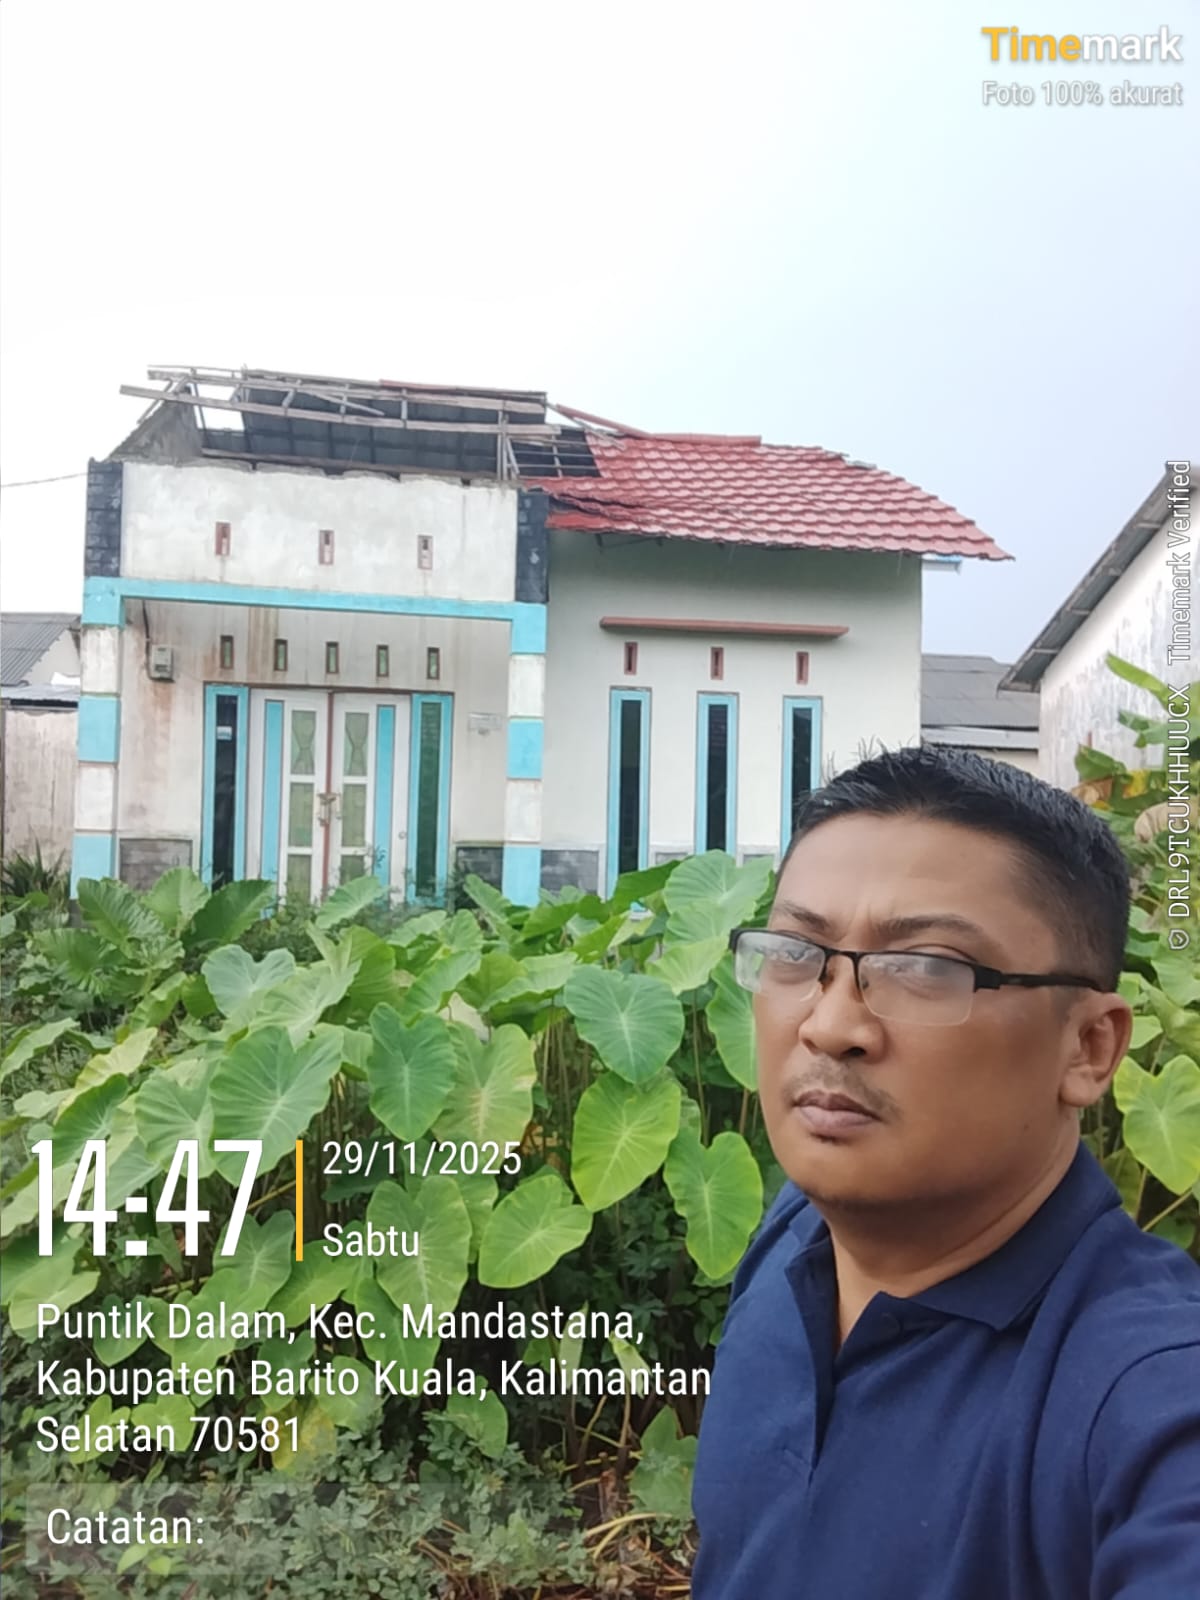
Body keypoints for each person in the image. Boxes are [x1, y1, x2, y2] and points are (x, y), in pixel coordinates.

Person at [690, 746, 1200, 1599]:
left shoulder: (1146, 1394)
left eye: (927, 968)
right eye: (797, 953)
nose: (830, 1026)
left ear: (1088, 1047)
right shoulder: (795, 1238)